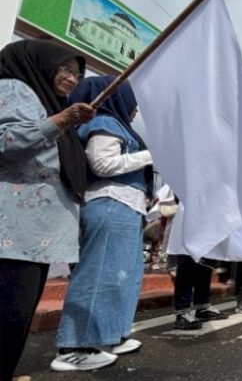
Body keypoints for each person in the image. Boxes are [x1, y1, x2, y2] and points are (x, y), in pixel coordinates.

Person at [0, 40, 95, 380]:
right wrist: (59, 121)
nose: (72, 79)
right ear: (39, 64)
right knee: (8, 314)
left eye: (77, 73)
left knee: (18, 315)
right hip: (13, 229)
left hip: (36, 234)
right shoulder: (14, 88)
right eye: (65, 69)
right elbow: (4, 140)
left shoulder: (47, 103)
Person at [51, 76, 153, 371]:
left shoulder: (118, 125)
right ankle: (74, 346)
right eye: (131, 102)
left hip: (125, 206)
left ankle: (111, 334)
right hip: (110, 202)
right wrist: (151, 155)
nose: (135, 110)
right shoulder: (106, 122)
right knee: (98, 276)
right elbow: (103, 164)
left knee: (123, 276)